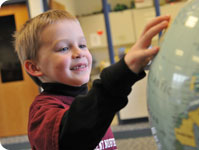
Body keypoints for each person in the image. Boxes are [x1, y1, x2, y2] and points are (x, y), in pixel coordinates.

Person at [14, 9, 170, 150]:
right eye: (64, 48)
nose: (79, 53)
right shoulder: (42, 111)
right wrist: (122, 72)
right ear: (35, 67)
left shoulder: (90, 102)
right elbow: (74, 134)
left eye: (82, 45)